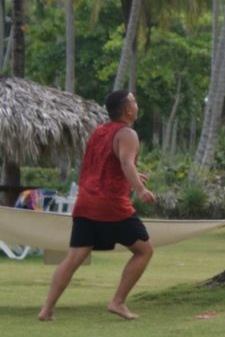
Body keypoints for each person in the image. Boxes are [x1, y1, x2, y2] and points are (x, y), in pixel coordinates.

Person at [37, 90, 156, 321]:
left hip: (85, 203)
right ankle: (118, 302)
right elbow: (125, 162)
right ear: (127, 110)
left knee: (73, 257)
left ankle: (47, 310)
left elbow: (109, 164)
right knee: (144, 250)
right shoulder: (127, 133)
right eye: (134, 101)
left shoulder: (100, 131)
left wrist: (132, 177)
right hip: (111, 205)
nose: (137, 104)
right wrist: (140, 190)